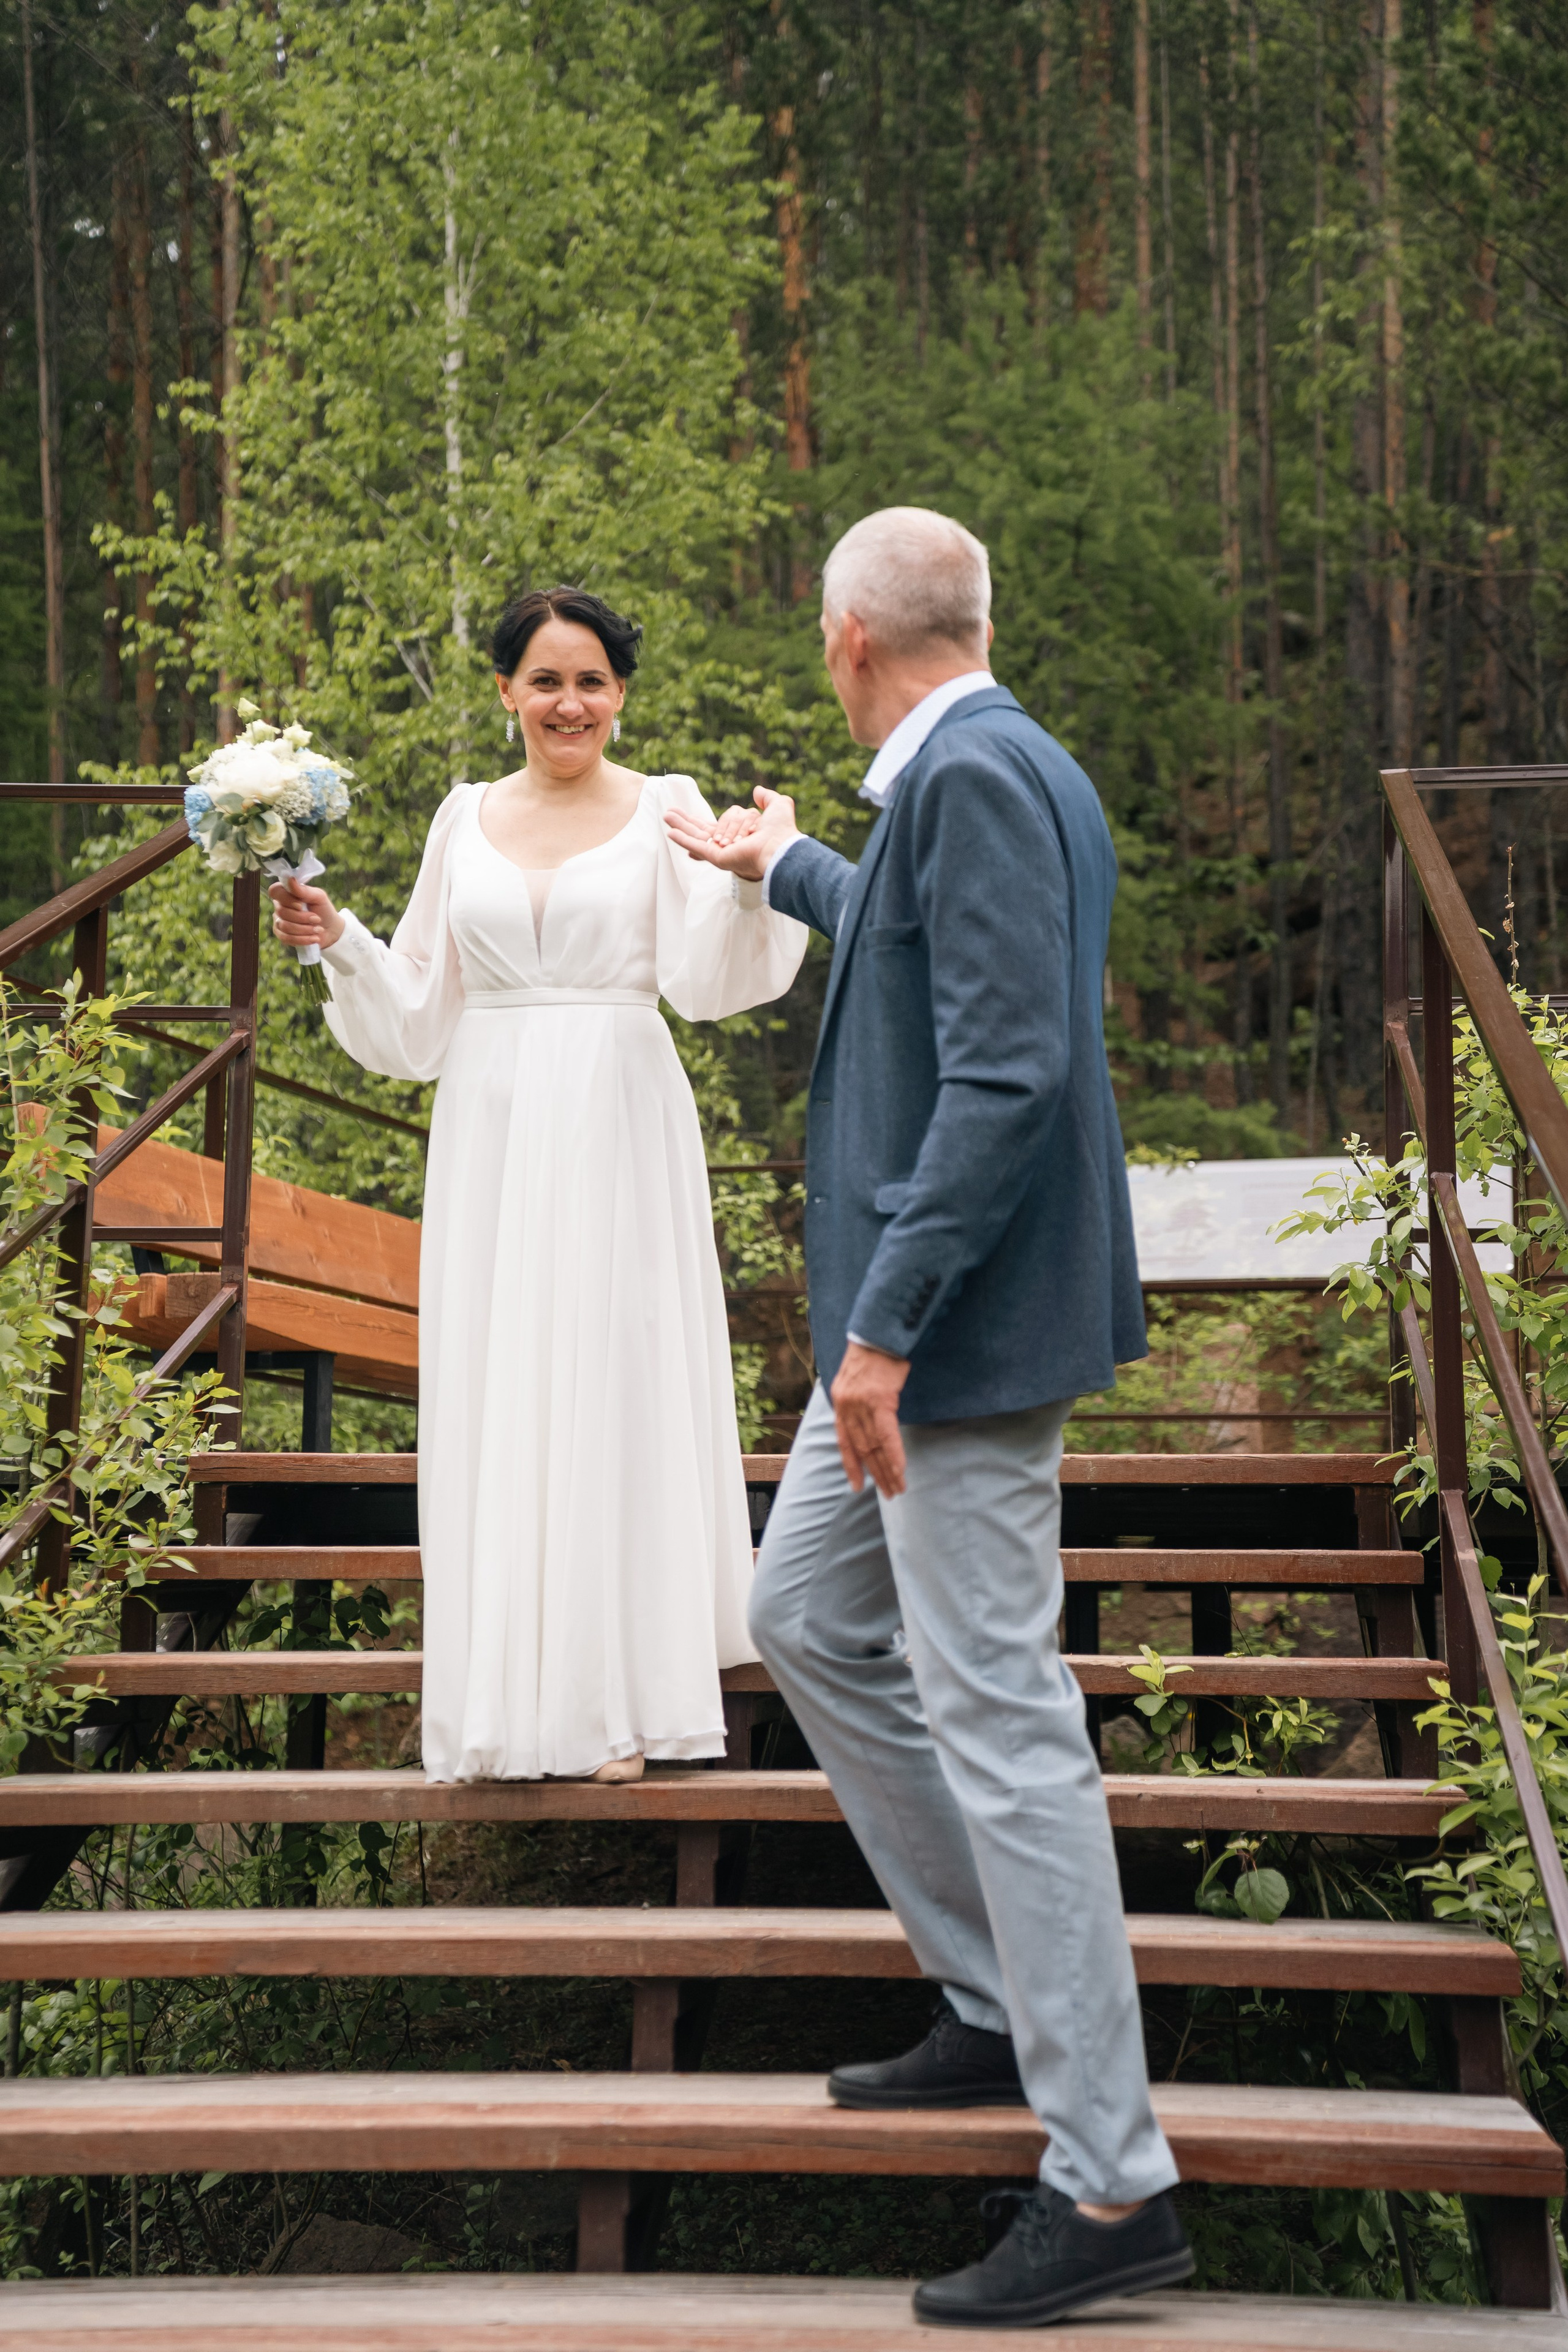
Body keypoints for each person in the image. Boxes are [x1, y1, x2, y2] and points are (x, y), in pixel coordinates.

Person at [665, 508, 1193, 2328]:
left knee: (1004, 1721)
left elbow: (1007, 1068)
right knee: (804, 1612)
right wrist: (786, 862)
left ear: (845, 641)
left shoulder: (970, 781)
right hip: (904, 1334)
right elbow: (920, 950)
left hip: (945, 1334)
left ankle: (1111, 2181)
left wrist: (883, 1332)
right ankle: (991, 1996)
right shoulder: (992, 764)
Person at [270, 587, 807, 1784]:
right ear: (506, 689)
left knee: (615, 1372)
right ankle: (513, 1702)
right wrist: (339, 939)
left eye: (592, 681)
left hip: (621, 1105)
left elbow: (708, 979)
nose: (570, 703)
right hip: (495, 1121)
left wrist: (748, 878)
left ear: (621, 694)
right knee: (510, 1379)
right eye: (547, 680)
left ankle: (624, 1705)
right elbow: (420, 1009)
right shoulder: (461, 817)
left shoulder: (665, 805)